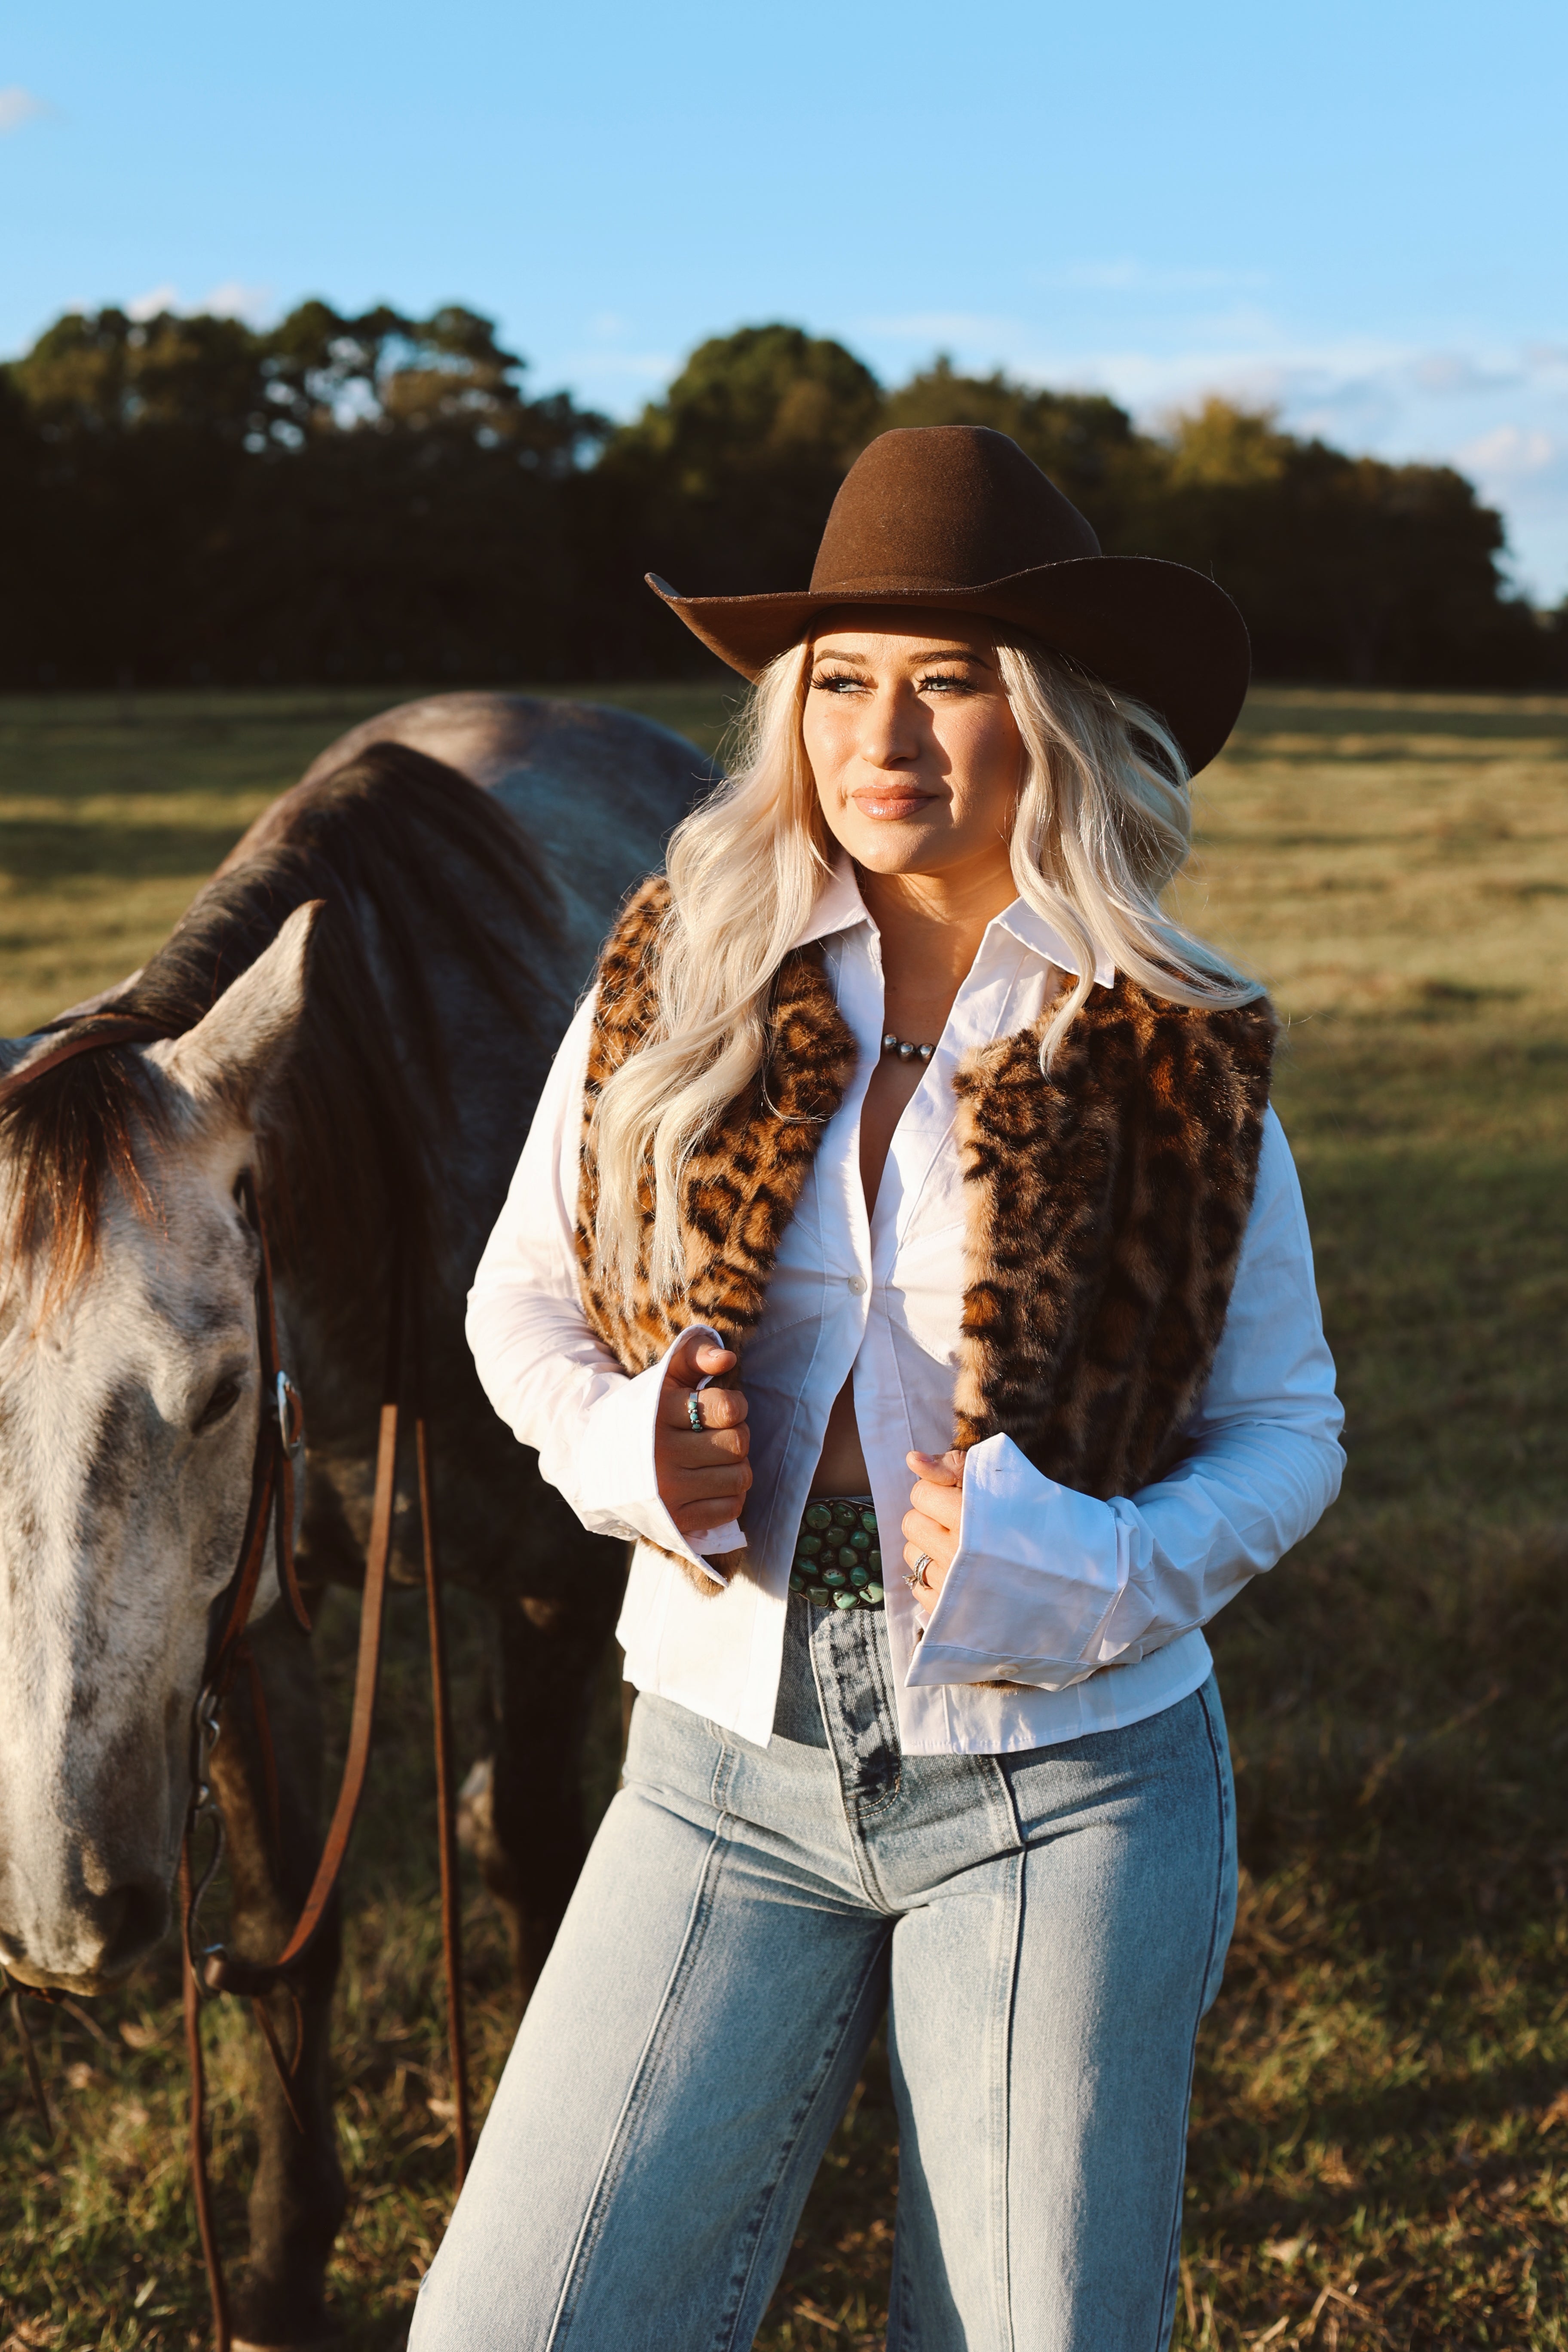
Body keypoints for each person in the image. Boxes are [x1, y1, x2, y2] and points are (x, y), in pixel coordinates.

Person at [410, 426, 1344, 2352]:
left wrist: (1086, 1567)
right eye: (839, 680)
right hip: (714, 1765)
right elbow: (520, 1306)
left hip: (1061, 1782)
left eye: (949, 680)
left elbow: (1290, 1435)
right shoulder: (686, 971)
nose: (881, 737)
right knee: (511, 2325)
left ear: (1053, 722)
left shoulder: (1170, 1043)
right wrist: (623, 1453)